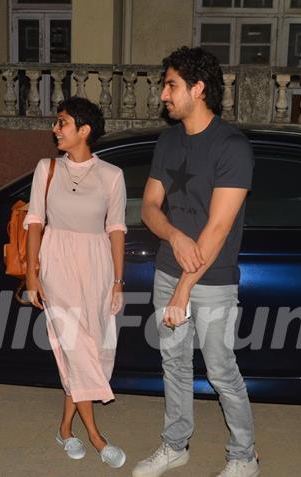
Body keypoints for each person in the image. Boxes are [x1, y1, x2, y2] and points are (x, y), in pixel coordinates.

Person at [133, 47, 258, 477]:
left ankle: (244, 457)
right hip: (168, 268)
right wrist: (173, 233)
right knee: (174, 363)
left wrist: (184, 289)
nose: (163, 94)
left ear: (197, 88)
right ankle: (175, 445)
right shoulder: (168, 141)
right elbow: (149, 206)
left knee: (222, 370)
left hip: (212, 278)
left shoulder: (232, 147)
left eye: (171, 84)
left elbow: (219, 229)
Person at [24, 96, 127, 469]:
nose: (56, 128)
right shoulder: (46, 168)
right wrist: (32, 275)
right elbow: (35, 221)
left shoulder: (111, 176)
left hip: (98, 265)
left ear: (84, 130)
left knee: (90, 351)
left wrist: (118, 281)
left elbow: (116, 229)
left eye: (62, 122)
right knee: (76, 346)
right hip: (57, 262)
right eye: (57, 121)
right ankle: (98, 438)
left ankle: (65, 428)